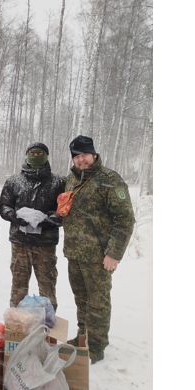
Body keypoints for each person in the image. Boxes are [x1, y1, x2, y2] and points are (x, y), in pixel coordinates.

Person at [61, 135, 135, 364]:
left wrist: (114, 253)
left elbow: (125, 220)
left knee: (98, 301)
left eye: (84, 155)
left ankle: (96, 346)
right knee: (81, 299)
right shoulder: (71, 179)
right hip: (75, 253)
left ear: (94, 154)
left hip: (98, 256)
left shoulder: (110, 180)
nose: (80, 160)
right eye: (76, 156)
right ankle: (83, 336)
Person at [0, 142, 66, 310]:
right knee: (18, 286)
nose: (36, 157)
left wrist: (47, 219)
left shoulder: (58, 182)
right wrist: (13, 216)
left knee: (47, 286)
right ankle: (17, 324)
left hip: (46, 244)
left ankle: (47, 326)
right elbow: (4, 205)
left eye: (40, 154)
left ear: (47, 157)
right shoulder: (14, 181)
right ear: (26, 155)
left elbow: (64, 210)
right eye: (33, 154)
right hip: (20, 242)